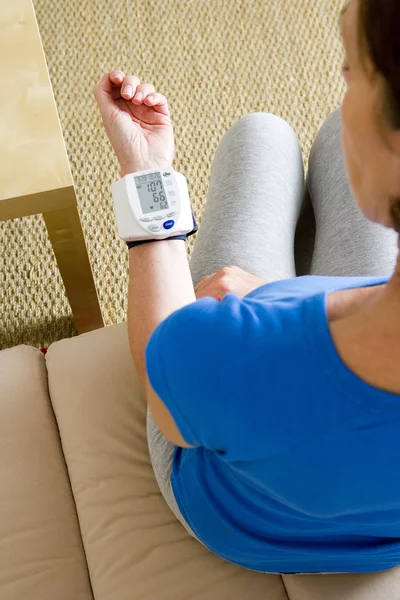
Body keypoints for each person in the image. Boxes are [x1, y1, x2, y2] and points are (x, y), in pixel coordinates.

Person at [94, 0, 400, 575]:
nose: (342, 89)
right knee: (330, 135)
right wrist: (299, 297)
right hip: (384, 536)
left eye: (352, 74)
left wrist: (146, 172)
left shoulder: (231, 346)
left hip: (245, 519)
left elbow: (162, 382)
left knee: (261, 136)